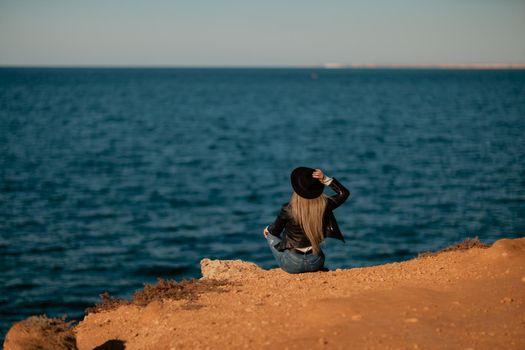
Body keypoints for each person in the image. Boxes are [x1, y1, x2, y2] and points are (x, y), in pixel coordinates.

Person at [263, 167, 350, 273]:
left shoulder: (288, 209)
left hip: (292, 264)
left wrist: (268, 229)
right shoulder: (324, 205)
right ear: (318, 188)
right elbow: (344, 193)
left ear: (296, 189)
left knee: (269, 234)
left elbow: (274, 232)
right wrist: (325, 179)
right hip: (317, 261)